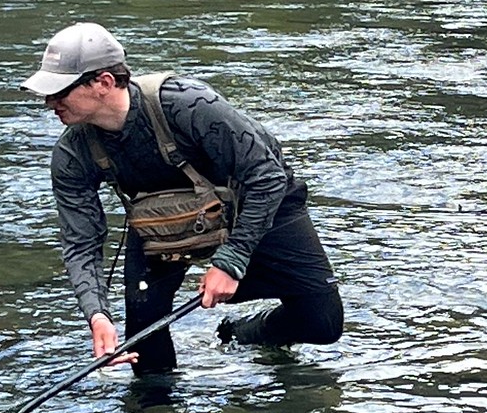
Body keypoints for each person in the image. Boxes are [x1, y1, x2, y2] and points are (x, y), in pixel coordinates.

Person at [22, 22, 344, 374]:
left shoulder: (188, 104)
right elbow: (81, 244)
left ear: (103, 83)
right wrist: (97, 315)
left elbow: (267, 175)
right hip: (162, 225)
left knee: (322, 323)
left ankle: (243, 333)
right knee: (143, 340)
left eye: (59, 92)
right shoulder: (71, 154)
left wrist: (230, 262)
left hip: (260, 201)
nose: (49, 102)